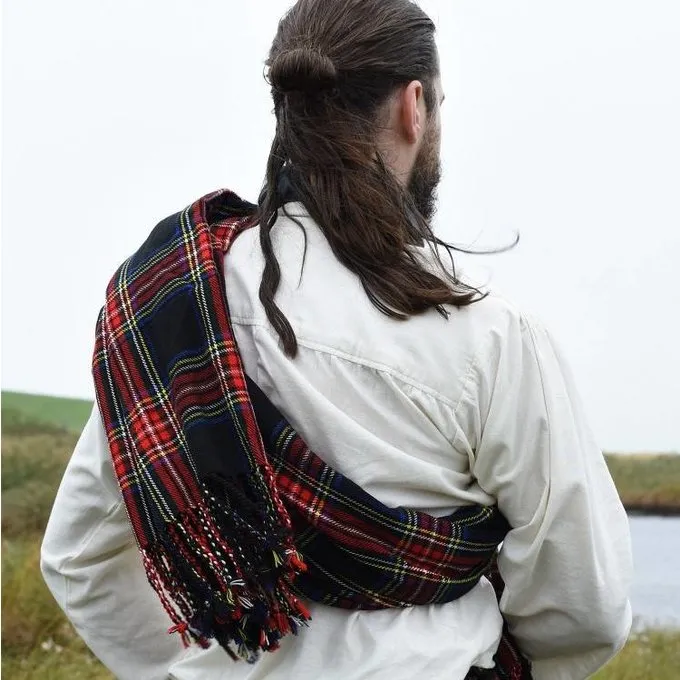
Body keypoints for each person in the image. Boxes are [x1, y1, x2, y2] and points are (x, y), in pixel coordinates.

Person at [40, 1, 633, 678]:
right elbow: (585, 603)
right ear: (415, 106)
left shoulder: (179, 309)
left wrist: (204, 663)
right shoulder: (494, 336)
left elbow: (79, 555)